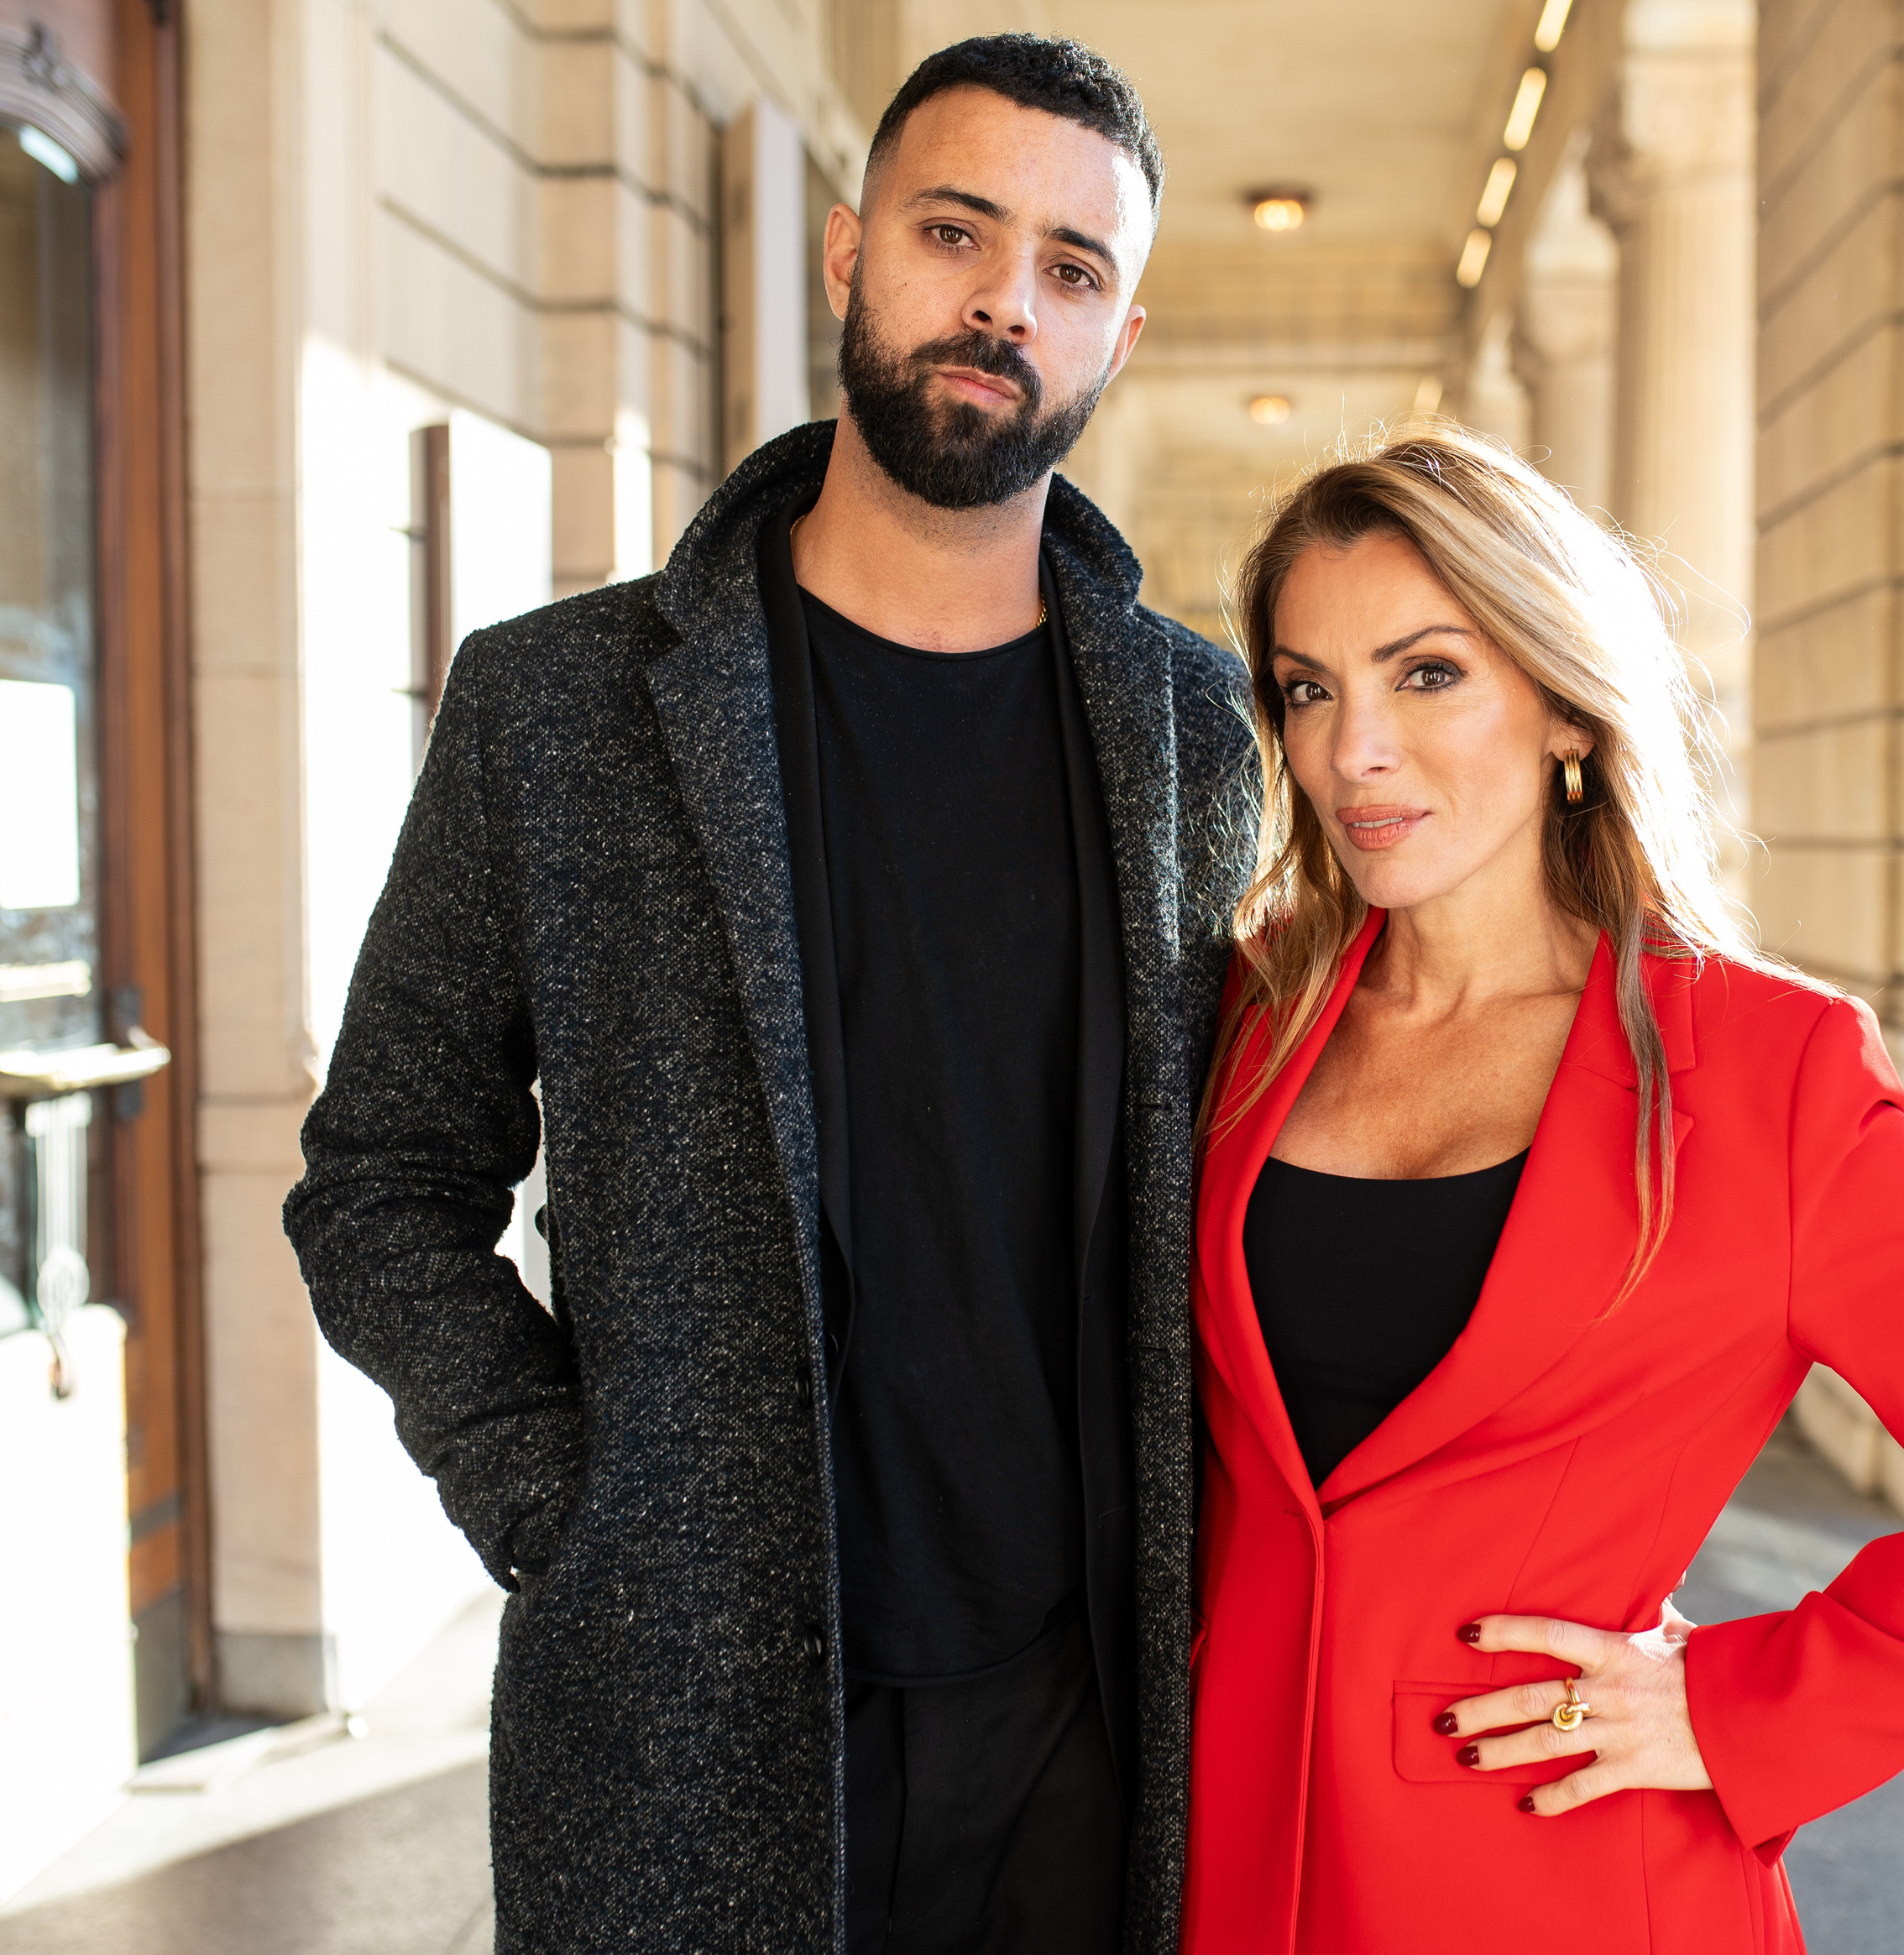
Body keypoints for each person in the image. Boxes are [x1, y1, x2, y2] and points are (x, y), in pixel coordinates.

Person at [285, 36, 1253, 1955]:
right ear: (847, 252)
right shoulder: (557, 708)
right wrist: (574, 1512)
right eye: (955, 232)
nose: (1005, 300)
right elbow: (379, 1177)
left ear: (1118, 339)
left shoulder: (1196, 731)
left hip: (1087, 1724)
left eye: (1070, 269)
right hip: (685, 1719)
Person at [1182, 426, 1904, 1952]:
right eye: (1308, 688)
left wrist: (1738, 1706)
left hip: (1568, 1875)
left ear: (1564, 705)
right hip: (1231, 1859)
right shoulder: (1247, 1017)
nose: (1353, 750)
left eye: (1427, 673)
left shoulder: (1768, 1073)